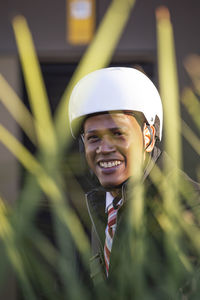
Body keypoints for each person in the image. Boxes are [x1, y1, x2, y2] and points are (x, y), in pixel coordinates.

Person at [68, 67, 200, 296]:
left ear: (148, 138)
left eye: (118, 133)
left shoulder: (190, 207)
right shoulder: (105, 206)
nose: (104, 148)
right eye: (93, 138)